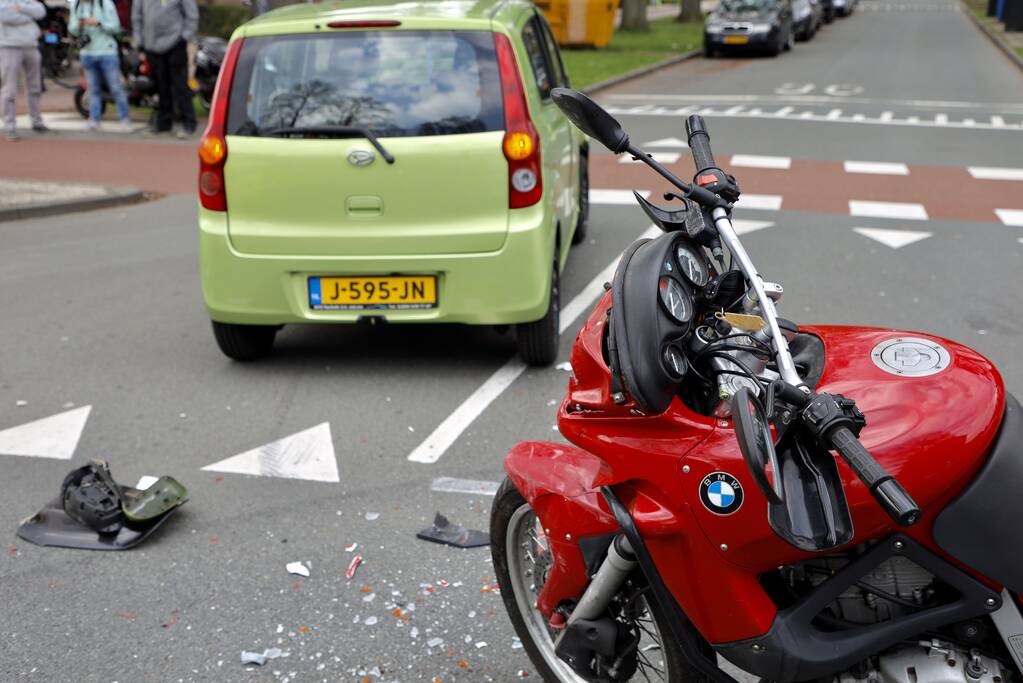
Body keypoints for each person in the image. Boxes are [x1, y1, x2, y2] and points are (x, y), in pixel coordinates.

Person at [132, 0, 196, 137]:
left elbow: (192, 16)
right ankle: (163, 123)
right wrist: (140, 44)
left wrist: (184, 37)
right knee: (161, 87)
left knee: (180, 87)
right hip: (152, 47)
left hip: (176, 44)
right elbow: (137, 18)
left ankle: (189, 123)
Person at [69, 0, 132, 132]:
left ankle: (124, 119)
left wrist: (98, 23)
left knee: (116, 88)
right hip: (87, 53)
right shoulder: (76, 4)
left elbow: (115, 27)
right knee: (93, 89)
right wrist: (79, 24)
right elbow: (72, 29)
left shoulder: (106, 3)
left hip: (107, 52)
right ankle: (94, 119)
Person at [0, 0, 49, 141]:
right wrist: (29, 14)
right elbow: (5, 16)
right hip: (8, 46)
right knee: (9, 88)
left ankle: (36, 121)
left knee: (35, 86)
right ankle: (9, 126)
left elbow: (41, 11)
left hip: (31, 45)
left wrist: (19, 8)